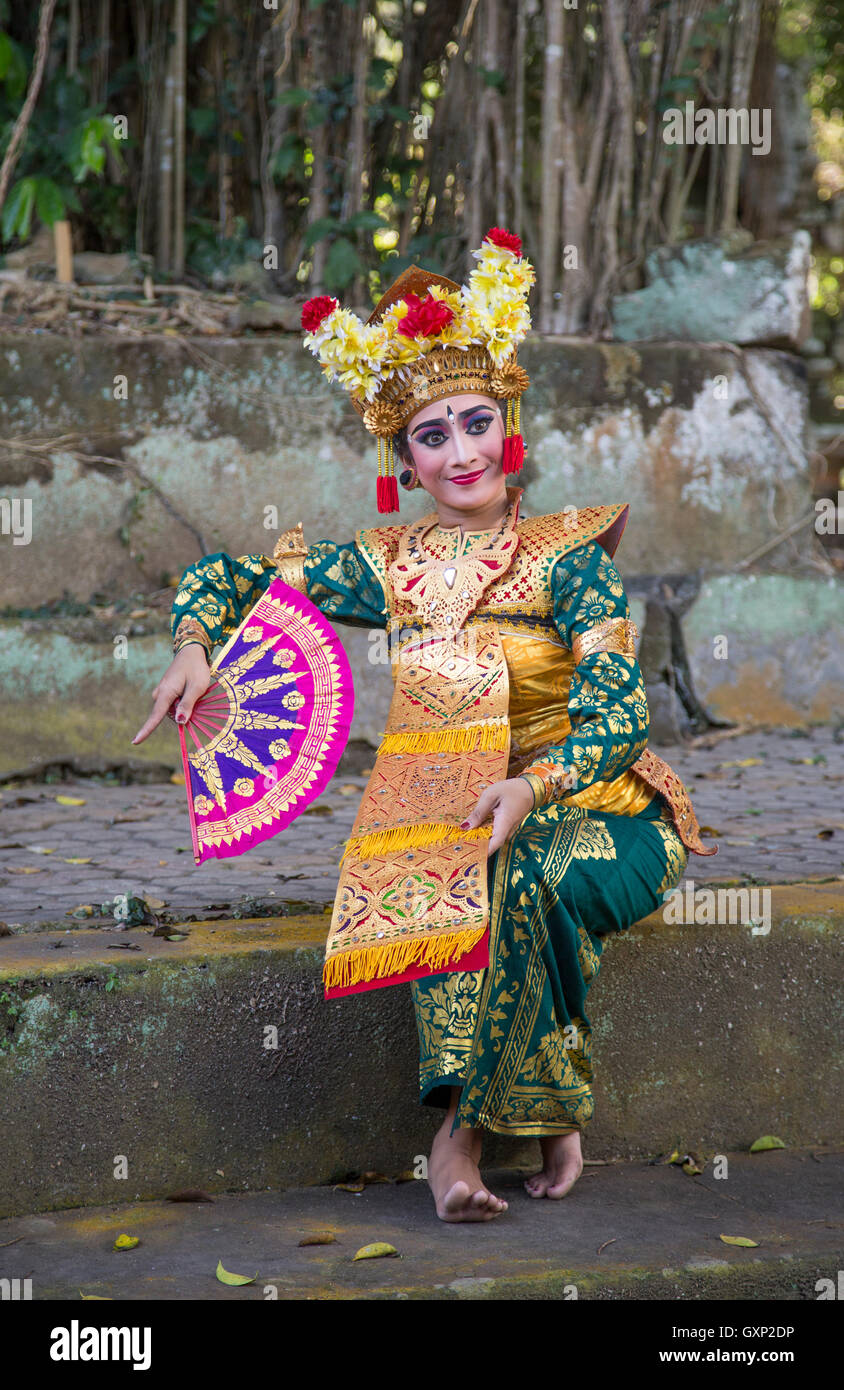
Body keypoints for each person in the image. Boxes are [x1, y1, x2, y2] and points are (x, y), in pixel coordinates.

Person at [132, 228, 715, 1224]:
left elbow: (621, 711)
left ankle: (463, 1134)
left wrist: (534, 783)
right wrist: (194, 643)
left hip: (605, 810)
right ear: (402, 457)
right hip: (455, 807)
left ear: (508, 422)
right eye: (430, 436)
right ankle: (541, 1101)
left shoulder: (569, 555)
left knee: (524, 862)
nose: (460, 453)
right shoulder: (386, 563)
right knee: (447, 858)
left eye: (475, 423)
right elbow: (223, 576)